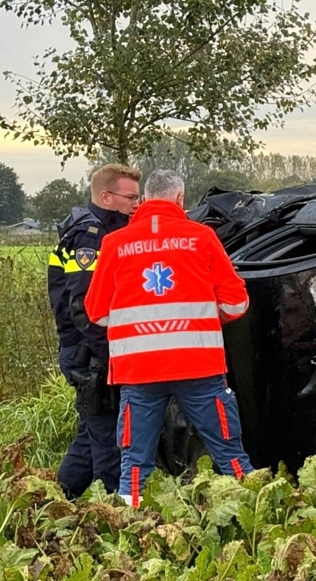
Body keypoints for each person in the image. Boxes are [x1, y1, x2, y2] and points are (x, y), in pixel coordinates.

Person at [85, 169, 253, 507]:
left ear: (144, 199)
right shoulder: (202, 237)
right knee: (229, 453)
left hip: (139, 371)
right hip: (199, 367)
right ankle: (256, 516)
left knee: (133, 465)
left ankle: (127, 530)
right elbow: (236, 303)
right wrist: (203, 318)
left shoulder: (114, 244)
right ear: (180, 198)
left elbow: (96, 312)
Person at [48, 163, 142, 499]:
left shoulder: (100, 231)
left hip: (86, 349)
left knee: (90, 435)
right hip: (89, 351)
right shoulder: (91, 237)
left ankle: (58, 500)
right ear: (106, 196)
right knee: (108, 437)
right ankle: (111, 513)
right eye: (130, 197)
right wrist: (111, 352)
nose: (136, 204)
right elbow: (84, 306)